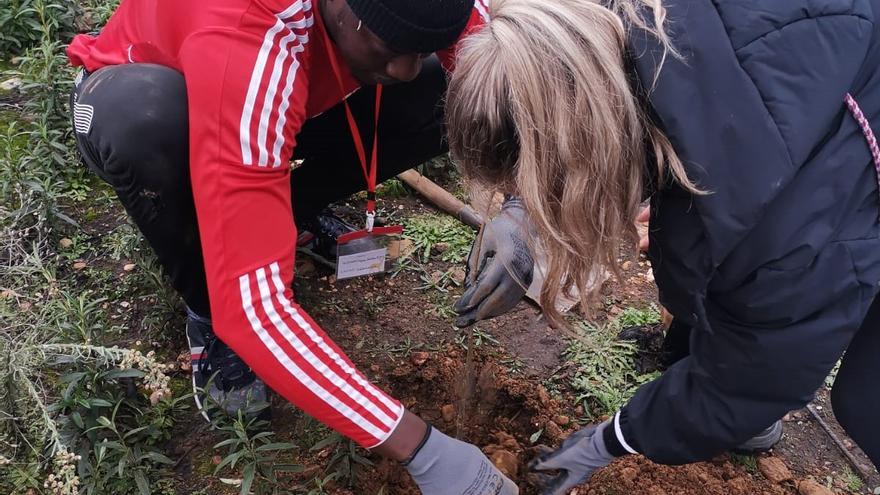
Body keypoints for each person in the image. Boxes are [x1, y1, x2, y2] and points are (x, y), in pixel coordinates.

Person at [66, 0, 518, 492]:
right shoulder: (247, 33)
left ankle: (279, 213)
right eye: (391, 48)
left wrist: (522, 209)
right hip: (149, 102)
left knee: (448, 87)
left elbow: (508, 93)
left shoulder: (411, 11)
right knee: (145, 121)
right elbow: (252, 308)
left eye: (422, 47)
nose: (405, 68)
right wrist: (421, 448)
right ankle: (204, 307)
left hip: (272, 98)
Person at [446, 0, 880, 493]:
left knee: (868, 401)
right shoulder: (627, 23)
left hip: (840, 151)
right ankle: (693, 356)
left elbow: (752, 378)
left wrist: (612, 440)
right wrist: (524, 214)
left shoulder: (773, 238)